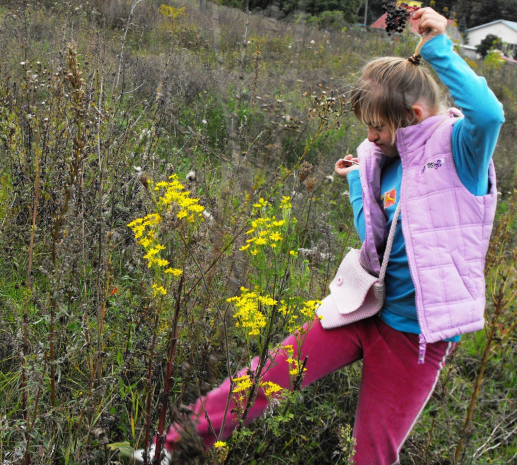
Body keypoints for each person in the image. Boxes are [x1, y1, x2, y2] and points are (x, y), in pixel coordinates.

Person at [133, 7, 504, 464]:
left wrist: (439, 46)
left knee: (372, 451)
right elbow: (375, 242)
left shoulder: (460, 149)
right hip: (364, 307)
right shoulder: (379, 162)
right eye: (366, 126)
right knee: (261, 378)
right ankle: (166, 449)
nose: (370, 137)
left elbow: (489, 114)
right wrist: (356, 185)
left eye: (378, 127)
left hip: (414, 339)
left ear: (413, 114)